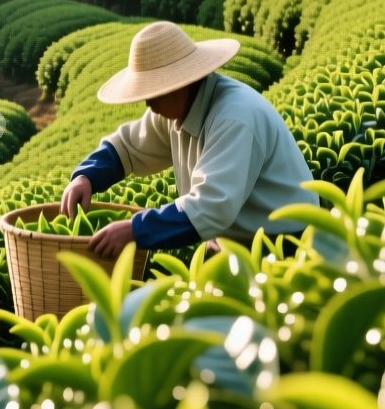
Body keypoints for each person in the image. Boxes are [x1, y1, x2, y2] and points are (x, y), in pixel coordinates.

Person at [59, 21, 315, 260]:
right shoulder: (175, 111)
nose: (148, 102)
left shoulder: (235, 117)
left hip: (285, 247)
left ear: (180, 83)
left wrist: (135, 230)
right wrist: (87, 176)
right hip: (232, 244)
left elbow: (211, 206)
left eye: (154, 92)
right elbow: (129, 147)